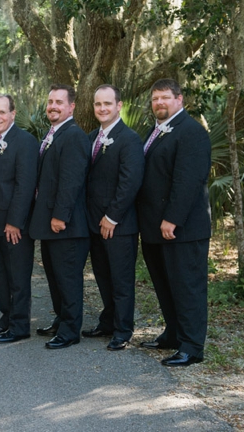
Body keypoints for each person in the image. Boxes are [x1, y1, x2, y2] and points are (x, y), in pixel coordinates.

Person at [137, 78, 212, 367]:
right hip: (155, 228)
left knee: (187, 287)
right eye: (155, 98)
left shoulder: (191, 132)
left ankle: (192, 347)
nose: (159, 103)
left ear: (179, 100)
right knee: (165, 285)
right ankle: (173, 334)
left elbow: (188, 180)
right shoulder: (154, 132)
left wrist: (172, 219)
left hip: (182, 228)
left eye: (165, 97)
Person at [29, 84, 90, 350]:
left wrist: (60, 216)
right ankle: (60, 318)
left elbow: (71, 180)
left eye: (59, 102)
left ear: (71, 106)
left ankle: (70, 330)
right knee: (54, 275)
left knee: (67, 277)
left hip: (67, 224)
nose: (53, 106)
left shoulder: (74, 136)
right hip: (49, 223)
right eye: (50, 101)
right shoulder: (52, 133)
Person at [83, 85, 144, 351]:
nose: (102, 108)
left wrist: (112, 217)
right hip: (94, 224)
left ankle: (123, 329)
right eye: (98, 104)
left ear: (119, 105)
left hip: (119, 225)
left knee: (121, 280)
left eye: (108, 103)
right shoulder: (90, 138)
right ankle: (107, 322)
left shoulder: (129, 139)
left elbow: (130, 182)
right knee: (103, 277)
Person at [0, 94, 38, 343]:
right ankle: (6, 319)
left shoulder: (25, 141)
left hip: (14, 225)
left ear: (13, 114)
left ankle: (20, 325)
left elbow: (25, 185)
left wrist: (14, 221)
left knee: (18, 277)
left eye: (2, 112)